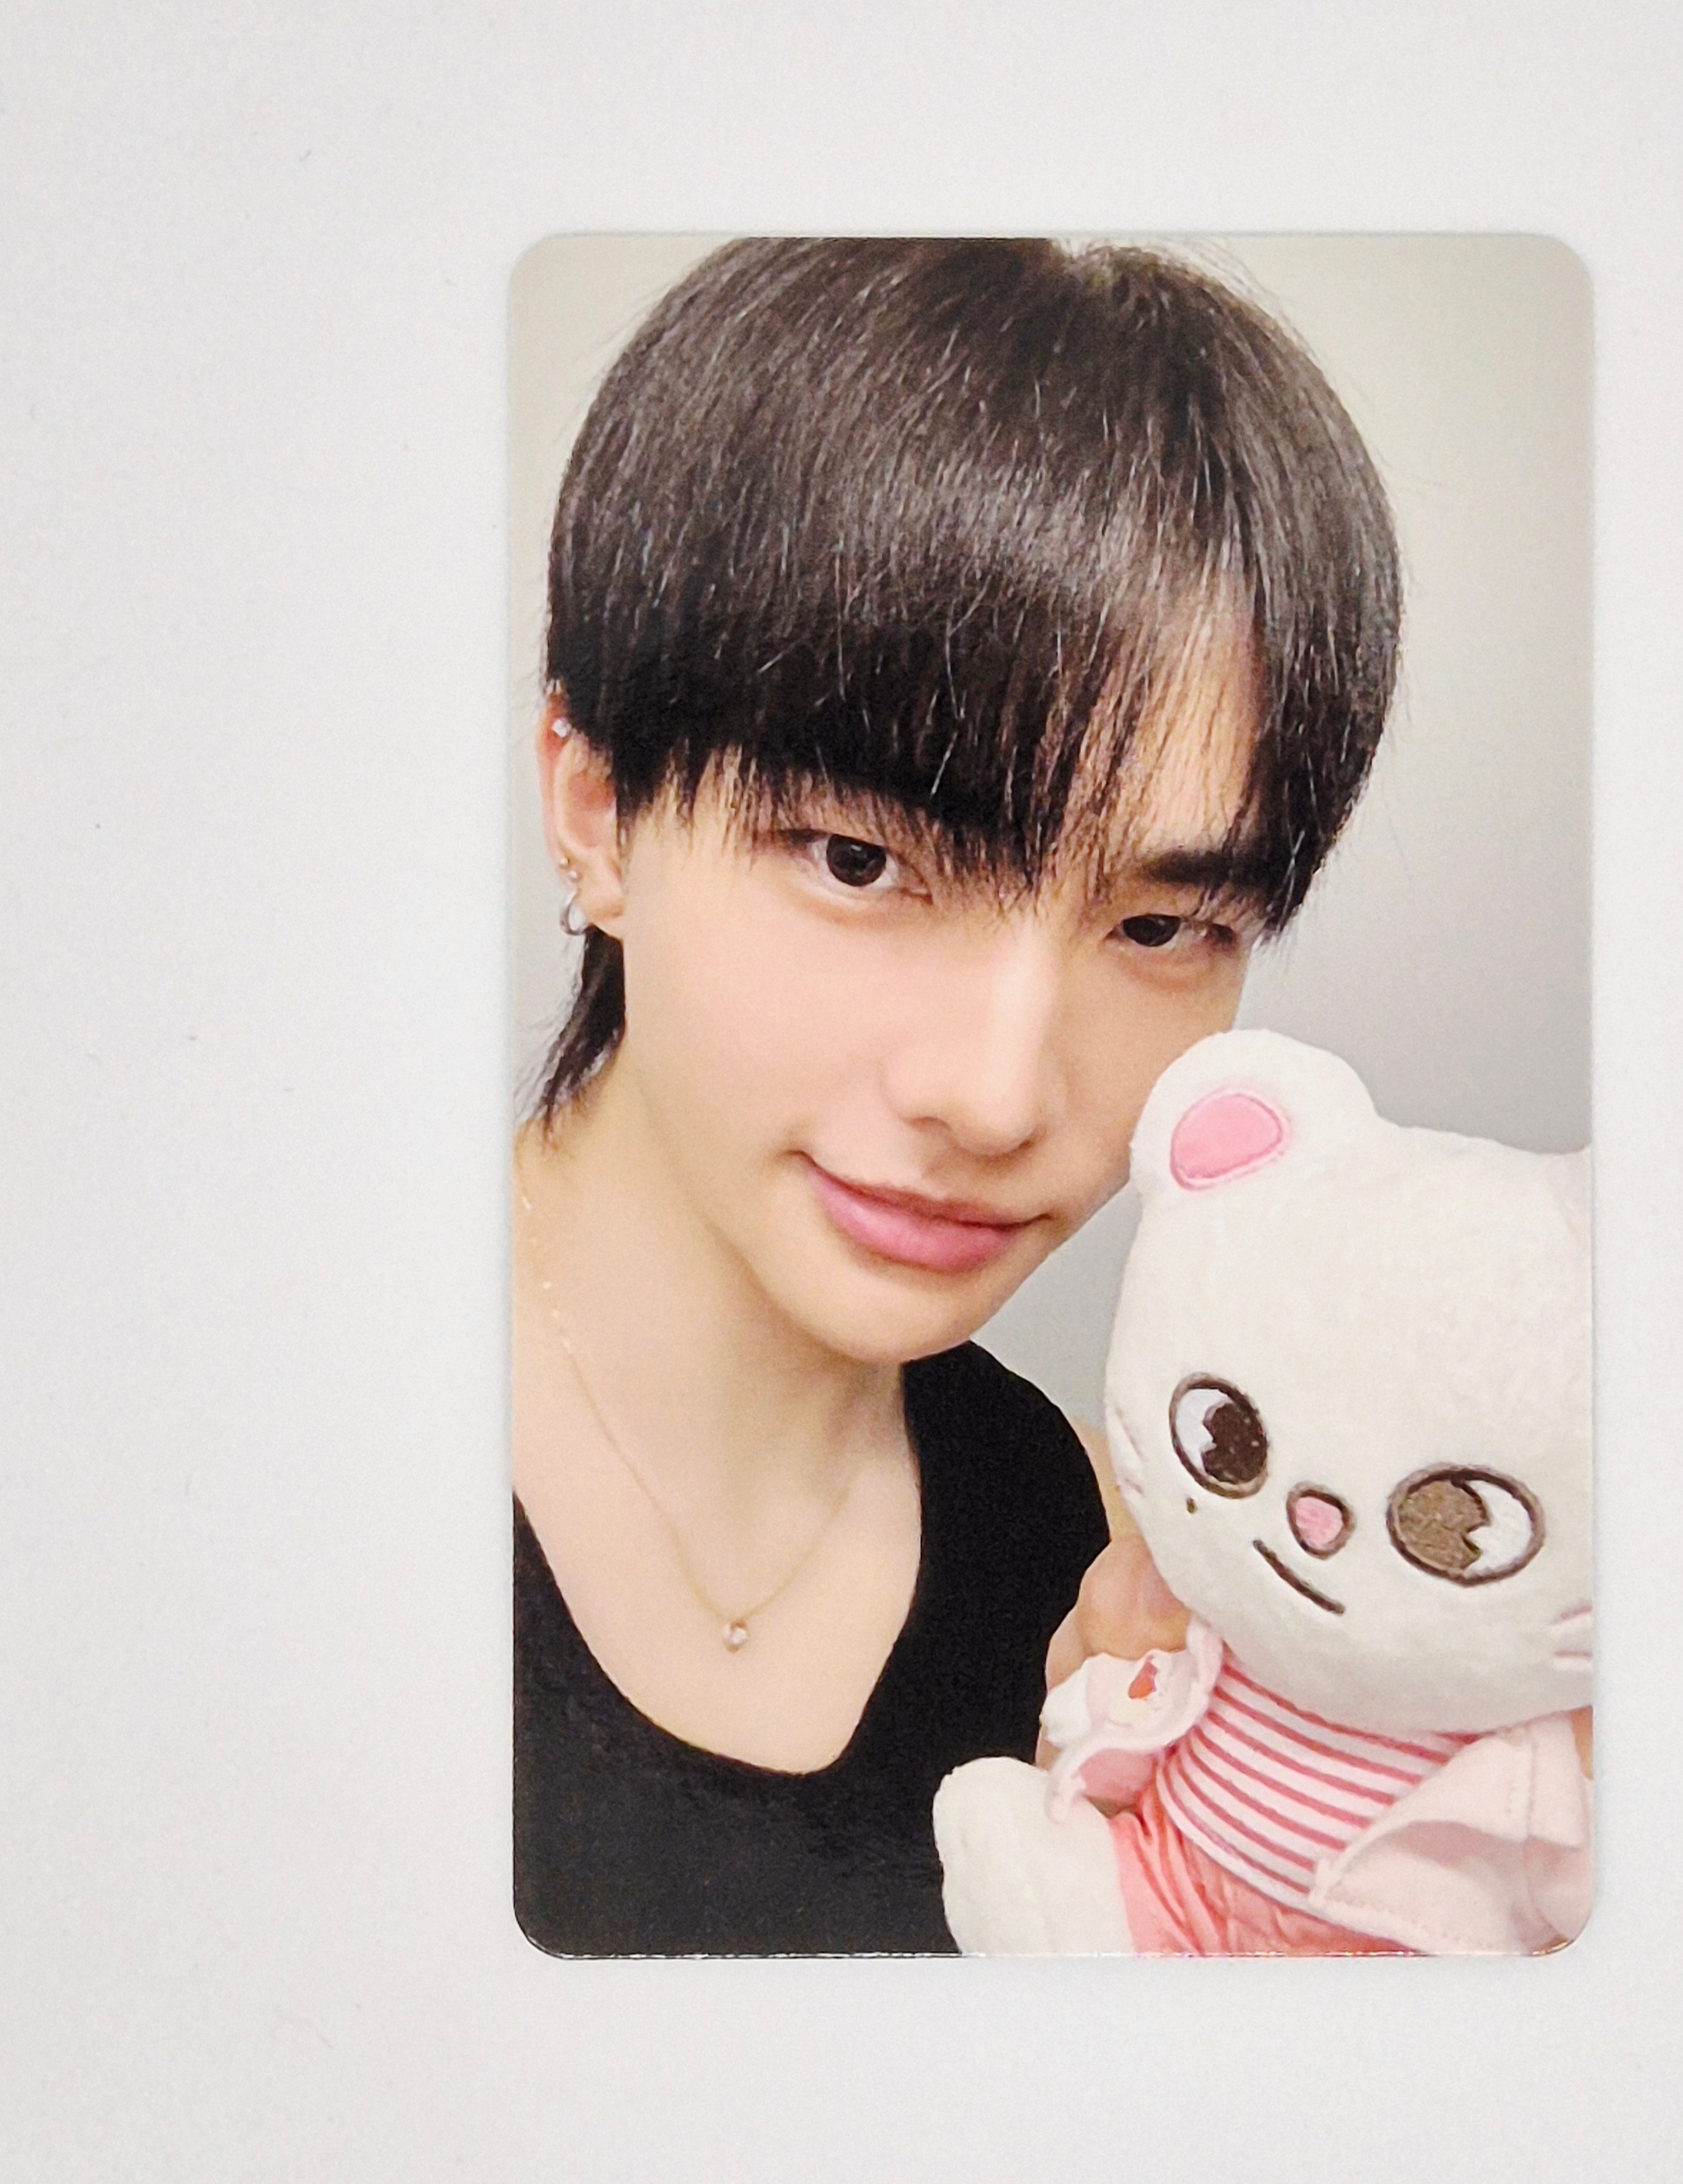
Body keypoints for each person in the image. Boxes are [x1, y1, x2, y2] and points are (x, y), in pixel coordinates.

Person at [511, 237, 1402, 1952]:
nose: (998, 1099)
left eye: (1159, 927)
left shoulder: (1114, 1568)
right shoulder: (247, 1438)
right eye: (861, 861)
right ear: (599, 808)